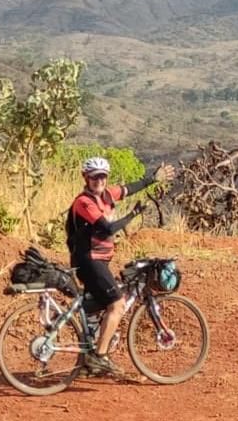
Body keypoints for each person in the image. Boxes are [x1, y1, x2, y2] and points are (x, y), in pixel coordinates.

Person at [66, 156, 176, 376]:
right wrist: (133, 215)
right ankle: (100, 357)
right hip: (89, 261)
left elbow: (127, 189)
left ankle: (88, 359)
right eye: (94, 177)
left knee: (97, 308)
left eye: (102, 176)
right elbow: (107, 228)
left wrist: (153, 179)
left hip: (99, 261)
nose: (99, 180)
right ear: (85, 178)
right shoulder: (84, 202)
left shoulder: (107, 195)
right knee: (117, 304)